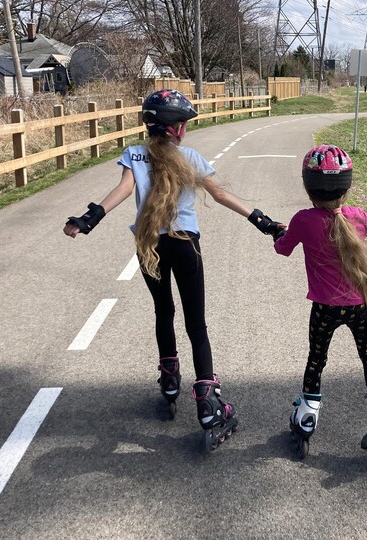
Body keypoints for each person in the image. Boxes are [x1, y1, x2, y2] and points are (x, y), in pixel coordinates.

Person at [63, 89, 283, 453]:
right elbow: (221, 196)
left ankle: (169, 380)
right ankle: (209, 404)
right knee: (196, 325)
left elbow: (121, 191)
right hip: (184, 246)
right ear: (176, 129)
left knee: (163, 312)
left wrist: (88, 219)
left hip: (148, 244)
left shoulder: (134, 154)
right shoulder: (191, 157)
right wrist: (265, 222)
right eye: (183, 124)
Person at [273, 144, 367, 458]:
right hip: (359, 307)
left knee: (316, 360)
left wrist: (277, 233)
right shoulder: (357, 217)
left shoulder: (303, 220)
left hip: (324, 309)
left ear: (308, 187)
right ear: (346, 190)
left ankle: (307, 416)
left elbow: (282, 248)